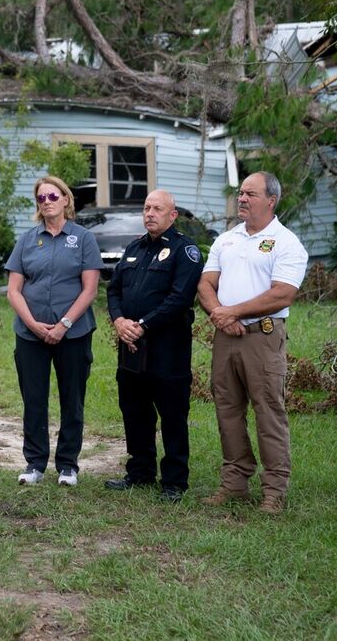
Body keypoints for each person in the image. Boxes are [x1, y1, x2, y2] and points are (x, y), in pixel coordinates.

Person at [197, 171, 308, 515]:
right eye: (241, 193)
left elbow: (282, 293)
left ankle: (274, 490)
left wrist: (232, 312)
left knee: (268, 412)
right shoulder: (226, 239)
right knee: (227, 409)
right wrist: (220, 315)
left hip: (262, 336)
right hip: (226, 337)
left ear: (271, 200)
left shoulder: (286, 242)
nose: (242, 199)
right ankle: (235, 482)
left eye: (250, 194)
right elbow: (205, 284)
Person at [105, 190, 203, 502]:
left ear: (172, 215)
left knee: (172, 415)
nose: (149, 213)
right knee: (134, 411)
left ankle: (174, 482)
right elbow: (113, 289)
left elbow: (180, 299)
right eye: (146, 207)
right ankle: (140, 473)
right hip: (131, 348)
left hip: (167, 348)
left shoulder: (184, 250)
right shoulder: (134, 248)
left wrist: (142, 326)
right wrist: (120, 321)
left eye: (157, 208)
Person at [5, 176, 101, 487]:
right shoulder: (28, 240)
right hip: (30, 334)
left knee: (72, 399)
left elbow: (89, 290)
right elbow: (14, 290)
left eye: (52, 196)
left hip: (73, 334)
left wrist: (64, 325)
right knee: (34, 399)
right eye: (41, 198)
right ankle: (34, 464)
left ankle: (68, 466)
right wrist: (33, 323)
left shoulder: (83, 238)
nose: (46, 201)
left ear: (65, 200)